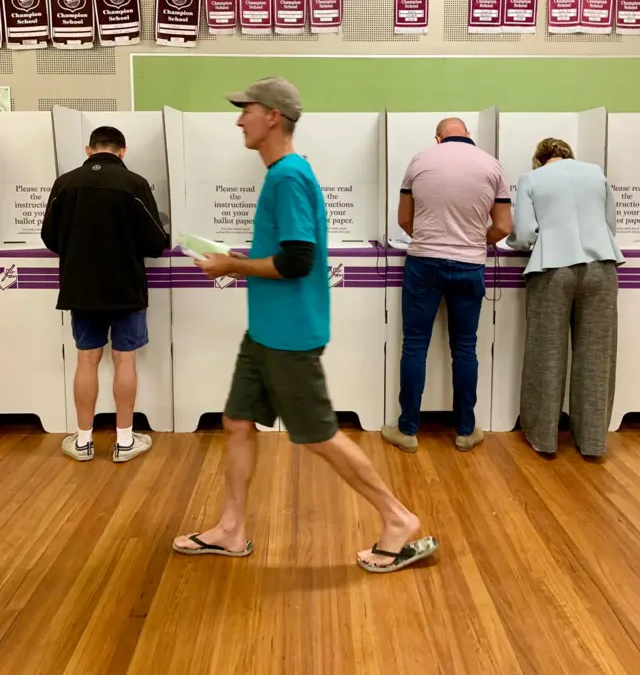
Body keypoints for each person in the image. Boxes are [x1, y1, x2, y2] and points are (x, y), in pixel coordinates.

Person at [172, 77, 438, 573]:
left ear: (272, 115)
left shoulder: (288, 176)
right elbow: (287, 252)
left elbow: (297, 261)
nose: (238, 119)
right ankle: (231, 530)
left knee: (317, 435)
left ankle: (397, 519)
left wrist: (232, 267)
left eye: (246, 110)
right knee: (236, 422)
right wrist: (241, 257)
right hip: (266, 330)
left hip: (289, 334)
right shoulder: (284, 173)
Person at [382, 117, 512, 454]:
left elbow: (404, 220)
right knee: (465, 348)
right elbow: (503, 227)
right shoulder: (491, 165)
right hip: (470, 265)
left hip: (423, 262)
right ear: (469, 135)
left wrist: (430, 238)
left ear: (438, 138)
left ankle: (408, 429)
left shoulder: (420, 160)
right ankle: (465, 431)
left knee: (414, 345)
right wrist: (472, 241)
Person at [41, 126, 168, 462]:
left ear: (88, 149)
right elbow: (157, 242)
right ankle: (124, 441)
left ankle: (83, 441)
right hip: (125, 287)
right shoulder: (134, 184)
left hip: (80, 287)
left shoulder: (64, 183)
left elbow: (49, 236)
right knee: (124, 359)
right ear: (122, 151)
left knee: (87, 359)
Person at [507, 138, 623, 457]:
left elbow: (526, 234)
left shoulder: (533, 178)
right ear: (568, 154)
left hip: (552, 267)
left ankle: (543, 437)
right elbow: (610, 226)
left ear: (539, 159)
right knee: (596, 355)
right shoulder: (596, 173)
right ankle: (593, 441)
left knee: (547, 353)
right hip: (602, 268)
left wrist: (518, 242)